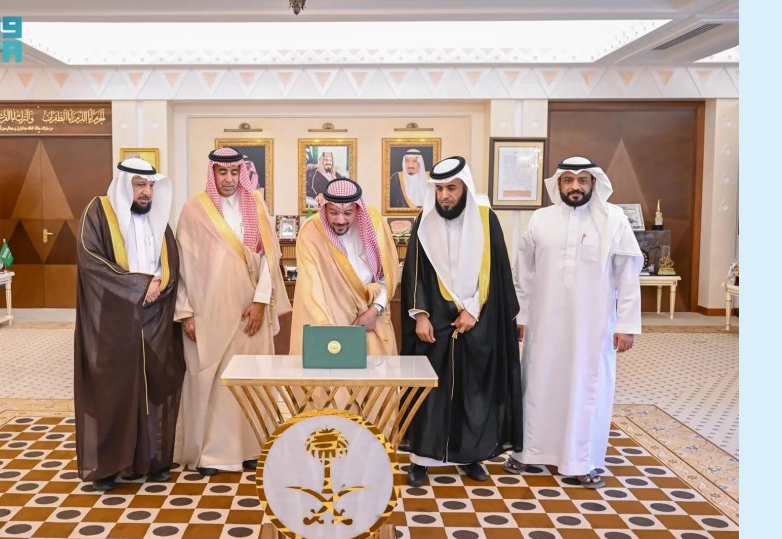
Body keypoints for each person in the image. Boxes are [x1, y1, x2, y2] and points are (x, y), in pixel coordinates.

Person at [503, 156, 644, 489]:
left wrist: (626, 323)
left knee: (586, 388)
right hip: (544, 324)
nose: (575, 186)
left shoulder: (614, 220)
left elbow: (627, 276)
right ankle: (529, 452)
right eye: (568, 180)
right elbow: (524, 273)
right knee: (538, 382)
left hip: (593, 328)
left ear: (594, 183)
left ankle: (583, 461)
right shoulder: (540, 219)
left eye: (582, 180)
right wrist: (521, 316)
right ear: (559, 184)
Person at [399, 156, 522, 486]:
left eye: (451, 188)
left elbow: (495, 272)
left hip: (477, 320)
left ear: (465, 187)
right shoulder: (424, 220)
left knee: (474, 392)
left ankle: (470, 456)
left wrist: (473, 309)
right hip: (433, 322)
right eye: (439, 189)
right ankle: (421, 459)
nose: (444, 196)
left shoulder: (486, 218)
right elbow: (415, 272)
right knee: (428, 393)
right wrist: (420, 314)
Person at [174, 148, 291, 476]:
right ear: (212, 173)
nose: (229, 179)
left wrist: (261, 301)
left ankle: (253, 448)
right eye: (222, 172)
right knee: (214, 382)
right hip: (208, 310)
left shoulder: (256, 205)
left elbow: (270, 258)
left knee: (250, 378)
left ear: (242, 173)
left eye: (234, 172)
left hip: (249, 312)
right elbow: (182, 263)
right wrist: (185, 311)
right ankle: (212, 455)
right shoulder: (194, 209)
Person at [73, 158, 185, 491]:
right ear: (125, 185)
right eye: (139, 185)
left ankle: (152, 460)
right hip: (114, 319)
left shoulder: (158, 218)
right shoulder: (98, 213)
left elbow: (171, 260)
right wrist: (138, 286)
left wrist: (159, 284)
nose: (146, 192)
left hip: (154, 316)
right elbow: (91, 260)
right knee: (113, 390)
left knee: (153, 387)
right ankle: (108, 467)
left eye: (150, 185)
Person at [289, 178, 399, 356]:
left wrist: (374, 311)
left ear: (358, 209)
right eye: (333, 212)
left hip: (371, 318)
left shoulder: (375, 225)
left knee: (374, 371)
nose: (340, 220)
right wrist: (325, 327)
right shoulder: (311, 231)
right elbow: (311, 285)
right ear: (324, 208)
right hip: (331, 320)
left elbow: (388, 276)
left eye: (348, 213)